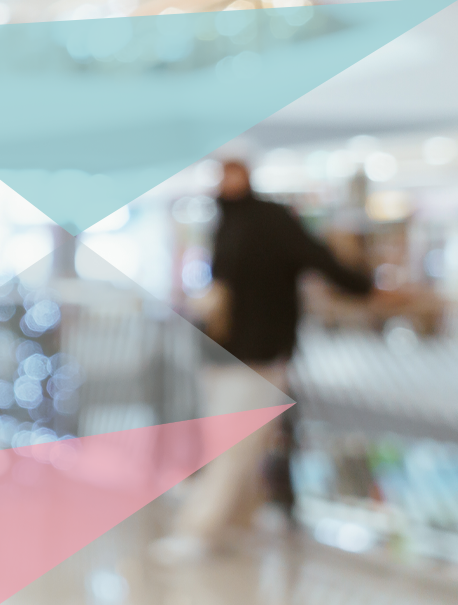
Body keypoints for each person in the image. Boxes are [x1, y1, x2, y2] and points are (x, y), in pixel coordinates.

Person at [156, 159, 379, 563]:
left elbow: (330, 268)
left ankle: (202, 529)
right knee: (236, 444)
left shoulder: (271, 220)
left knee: (231, 446)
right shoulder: (225, 221)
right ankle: (235, 523)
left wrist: (357, 275)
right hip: (224, 355)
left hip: (258, 357)